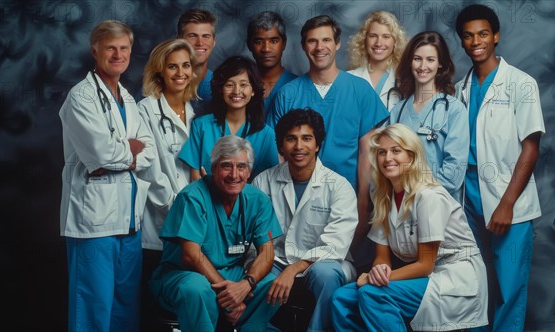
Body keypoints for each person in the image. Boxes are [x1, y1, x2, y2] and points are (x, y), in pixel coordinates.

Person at [331, 124, 488, 331]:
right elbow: (382, 257)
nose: (388, 158)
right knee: (341, 298)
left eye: (396, 151)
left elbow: (425, 265)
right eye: (382, 152)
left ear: (412, 157)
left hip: (454, 277)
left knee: (372, 293)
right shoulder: (383, 198)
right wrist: (379, 270)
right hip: (425, 277)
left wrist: (371, 278)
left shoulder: (428, 196)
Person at [59, 20, 155, 331]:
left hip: (129, 219)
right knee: (93, 308)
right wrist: (128, 152)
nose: (118, 54)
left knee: (126, 309)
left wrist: (118, 154)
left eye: (123, 48)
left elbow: (149, 152)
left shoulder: (128, 98)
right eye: (110, 48)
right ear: (95, 51)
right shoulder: (81, 97)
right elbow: (99, 155)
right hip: (93, 223)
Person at [455, 4, 545, 331]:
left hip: (510, 204)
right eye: (468, 36)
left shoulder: (521, 83)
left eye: (482, 33)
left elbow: (530, 148)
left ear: (496, 36)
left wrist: (506, 204)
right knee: (473, 286)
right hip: (468, 202)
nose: (475, 41)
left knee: (508, 289)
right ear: (462, 42)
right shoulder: (459, 90)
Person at [149, 135, 283, 332]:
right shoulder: (193, 197)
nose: (234, 174)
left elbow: (267, 253)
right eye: (226, 166)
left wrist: (246, 285)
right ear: (213, 168)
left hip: (232, 274)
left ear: (249, 171)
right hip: (185, 274)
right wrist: (231, 297)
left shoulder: (258, 200)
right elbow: (191, 255)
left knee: (272, 282)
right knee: (197, 289)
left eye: (242, 167)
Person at [252, 109, 358, 331]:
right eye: (291, 139)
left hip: (322, 263)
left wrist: (294, 269)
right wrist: (278, 267)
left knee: (326, 275)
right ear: (281, 146)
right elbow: (255, 236)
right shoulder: (263, 182)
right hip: (277, 261)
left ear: (318, 145)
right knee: (259, 277)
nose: (299, 146)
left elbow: (335, 244)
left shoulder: (339, 187)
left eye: (307, 138)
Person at [267, 15, 388, 190]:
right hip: (297, 191)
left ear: (337, 44)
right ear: (303, 46)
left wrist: (362, 202)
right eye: (312, 41)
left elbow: (366, 154)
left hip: (348, 193)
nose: (319, 47)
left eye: (326, 40)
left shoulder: (360, 90)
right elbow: (278, 152)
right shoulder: (287, 94)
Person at [382, 31, 469, 202]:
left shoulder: (454, 110)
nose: (423, 66)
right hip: (401, 205)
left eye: (430, 60)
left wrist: (415, 192)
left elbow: (454, 172)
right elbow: (387, 161)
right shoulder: (398, 112)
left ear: (441, 64)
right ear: (410, 62)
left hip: (439, 204)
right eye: (417, 59)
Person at [137, 38, 199, 252]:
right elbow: (148, 172)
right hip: (160, 221)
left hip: (193, 221)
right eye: (172, 66)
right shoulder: (144, 110)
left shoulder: (194, 114)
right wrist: (176, 208)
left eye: (186, 65)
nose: (180, 73)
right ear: (160, 71)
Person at [178, 56, 278, 182]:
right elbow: (194, 178)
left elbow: (266, 183)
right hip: (205, 200)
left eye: (243, 85)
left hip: (247, 201)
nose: (236, 91)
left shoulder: (266, 135)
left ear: (253, 90)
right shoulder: (201, 126)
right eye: (229, 84)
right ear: (220, 89)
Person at [347, 10, 407, 110]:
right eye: (373, 36)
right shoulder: (349, 78)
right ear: (364, 40)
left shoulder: (404, 80)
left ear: (395, 42)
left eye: (386, 37)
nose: (378, 43)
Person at [246, 11, 297, 116]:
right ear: (249, 45)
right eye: (259, 42)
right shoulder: (239, 86)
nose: (266, 49)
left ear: (284, 44)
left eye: (273, 41)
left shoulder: (298, 86)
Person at [177, 8, 217, 116]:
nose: (200, 43)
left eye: (206, 36)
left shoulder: (222, 84)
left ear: (214, 42)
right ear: (179, 40)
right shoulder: (160, 83)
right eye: (192, 36)